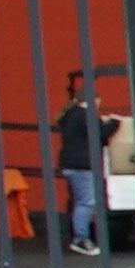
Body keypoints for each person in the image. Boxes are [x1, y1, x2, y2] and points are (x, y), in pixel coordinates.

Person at [52, 74, 104, 256]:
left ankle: (77, 235)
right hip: (82, 164)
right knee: (86, 202)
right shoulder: (84, 115)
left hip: (70, 163)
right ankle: (81, 239)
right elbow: (100, 133)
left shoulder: (70, 115)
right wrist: (115, 123)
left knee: (78, 201)